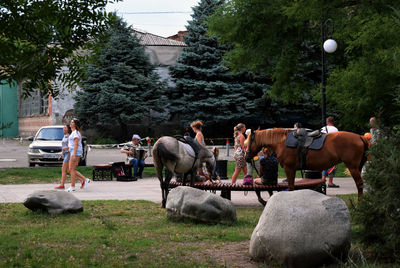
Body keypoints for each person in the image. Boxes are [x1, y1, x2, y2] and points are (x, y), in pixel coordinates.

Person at [66, 118, 90, 192]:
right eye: (71, 122)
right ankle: (85, 179)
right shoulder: (74, 132)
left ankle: (72, 186)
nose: (70, 123)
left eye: (72, 122)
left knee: (71, 170)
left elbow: (76, 144)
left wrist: (73, 154)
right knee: (71, 170)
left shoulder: (75, 133)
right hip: (73, 151)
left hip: (75, 152)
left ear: (75, 124)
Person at [321, 116, 339, 188]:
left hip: (323, 150)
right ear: (333, 122)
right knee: (332, 165)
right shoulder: (335, 129)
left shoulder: (322, 129)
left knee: (324, 166)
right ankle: (330, 182)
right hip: (332, 150)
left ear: (327, 122)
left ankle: (322, 180)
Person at [55, 124, 71, 189]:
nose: (64, 129)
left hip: (68, 154)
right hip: (65, 154)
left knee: (63, 170)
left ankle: (62, 185)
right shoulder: (64, 136)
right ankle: (83, 180)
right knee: (70, 171)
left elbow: (71, 146)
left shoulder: (69, 137)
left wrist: (65, 149)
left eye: (65, 128)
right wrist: (61, 154)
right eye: (63, 128)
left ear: (68, 129)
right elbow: (63, 146)